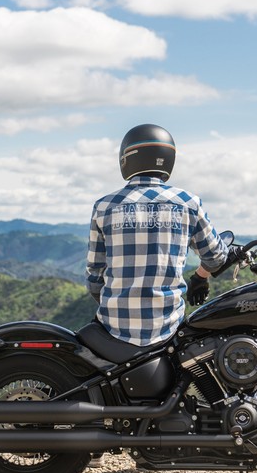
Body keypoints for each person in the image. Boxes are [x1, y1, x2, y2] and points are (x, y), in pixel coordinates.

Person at [85, 123, 240, 347]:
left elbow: (94, 276)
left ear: (127, 157)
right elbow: (216, 257)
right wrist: (200, 277)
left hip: (114, 328)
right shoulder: (189, 203)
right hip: (169, 329)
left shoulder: (105, 206)